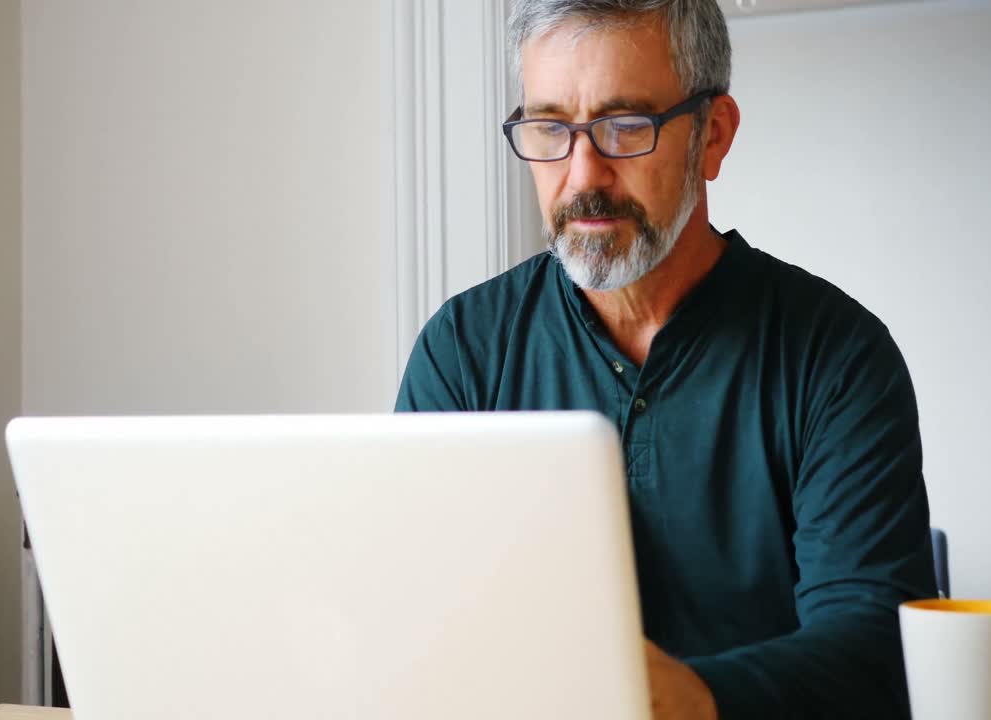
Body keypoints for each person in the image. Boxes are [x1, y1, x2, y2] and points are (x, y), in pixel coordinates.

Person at [395, 1, 936, 717]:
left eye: (625, 127)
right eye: (550, 127)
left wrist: (694, 697)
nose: (583, 174)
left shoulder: (836, 358)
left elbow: (875, 649)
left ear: (712, 135)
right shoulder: (461, 351)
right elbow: (409, 619)